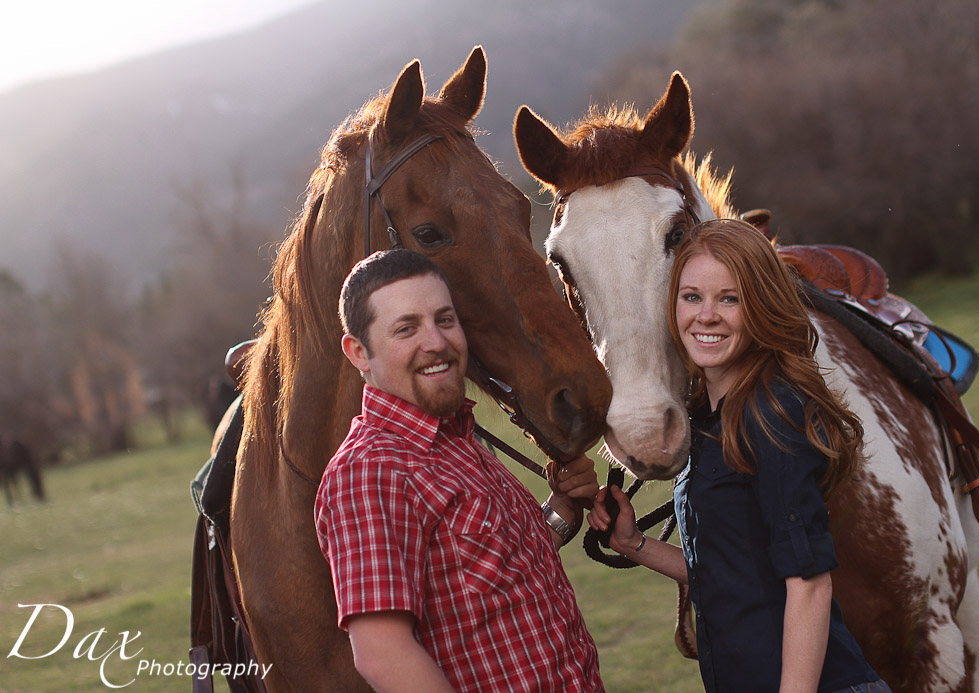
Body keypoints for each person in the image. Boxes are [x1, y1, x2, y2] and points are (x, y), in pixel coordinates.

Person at [588, 219, 890, 693]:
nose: (705, 316)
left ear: (761, 307)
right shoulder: (709, 422)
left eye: (729, 298)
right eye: (692, 297)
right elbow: (730, 571)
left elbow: (809, 584)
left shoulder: (772, 417)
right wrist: (634, 544)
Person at [315, 248, 604, 693]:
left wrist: (563, 509)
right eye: (406, 328)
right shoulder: (370, 471)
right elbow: (382, 653)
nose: (436, 342)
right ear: (359, 353)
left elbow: (495, 570)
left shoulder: (456, 439)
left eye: (444, 320)